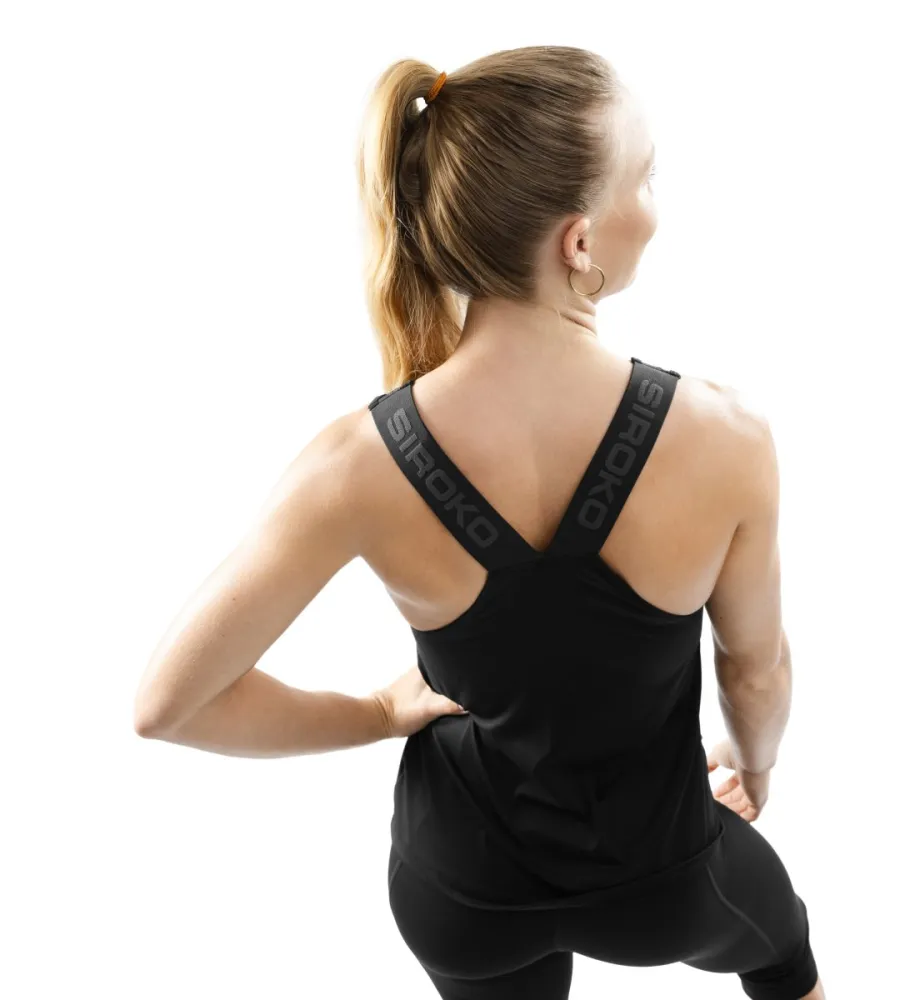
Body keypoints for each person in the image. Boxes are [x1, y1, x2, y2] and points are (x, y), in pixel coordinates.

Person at [134, 45, 824, 1000]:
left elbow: (169, 705)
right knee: (783, 956)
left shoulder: (355, 464)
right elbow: (756, 671)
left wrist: (377, 716)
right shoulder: (727, 438)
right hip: (659, 876)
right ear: (578, 242)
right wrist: (757, 766)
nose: (655, 208)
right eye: (646, 178)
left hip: (461, 893)